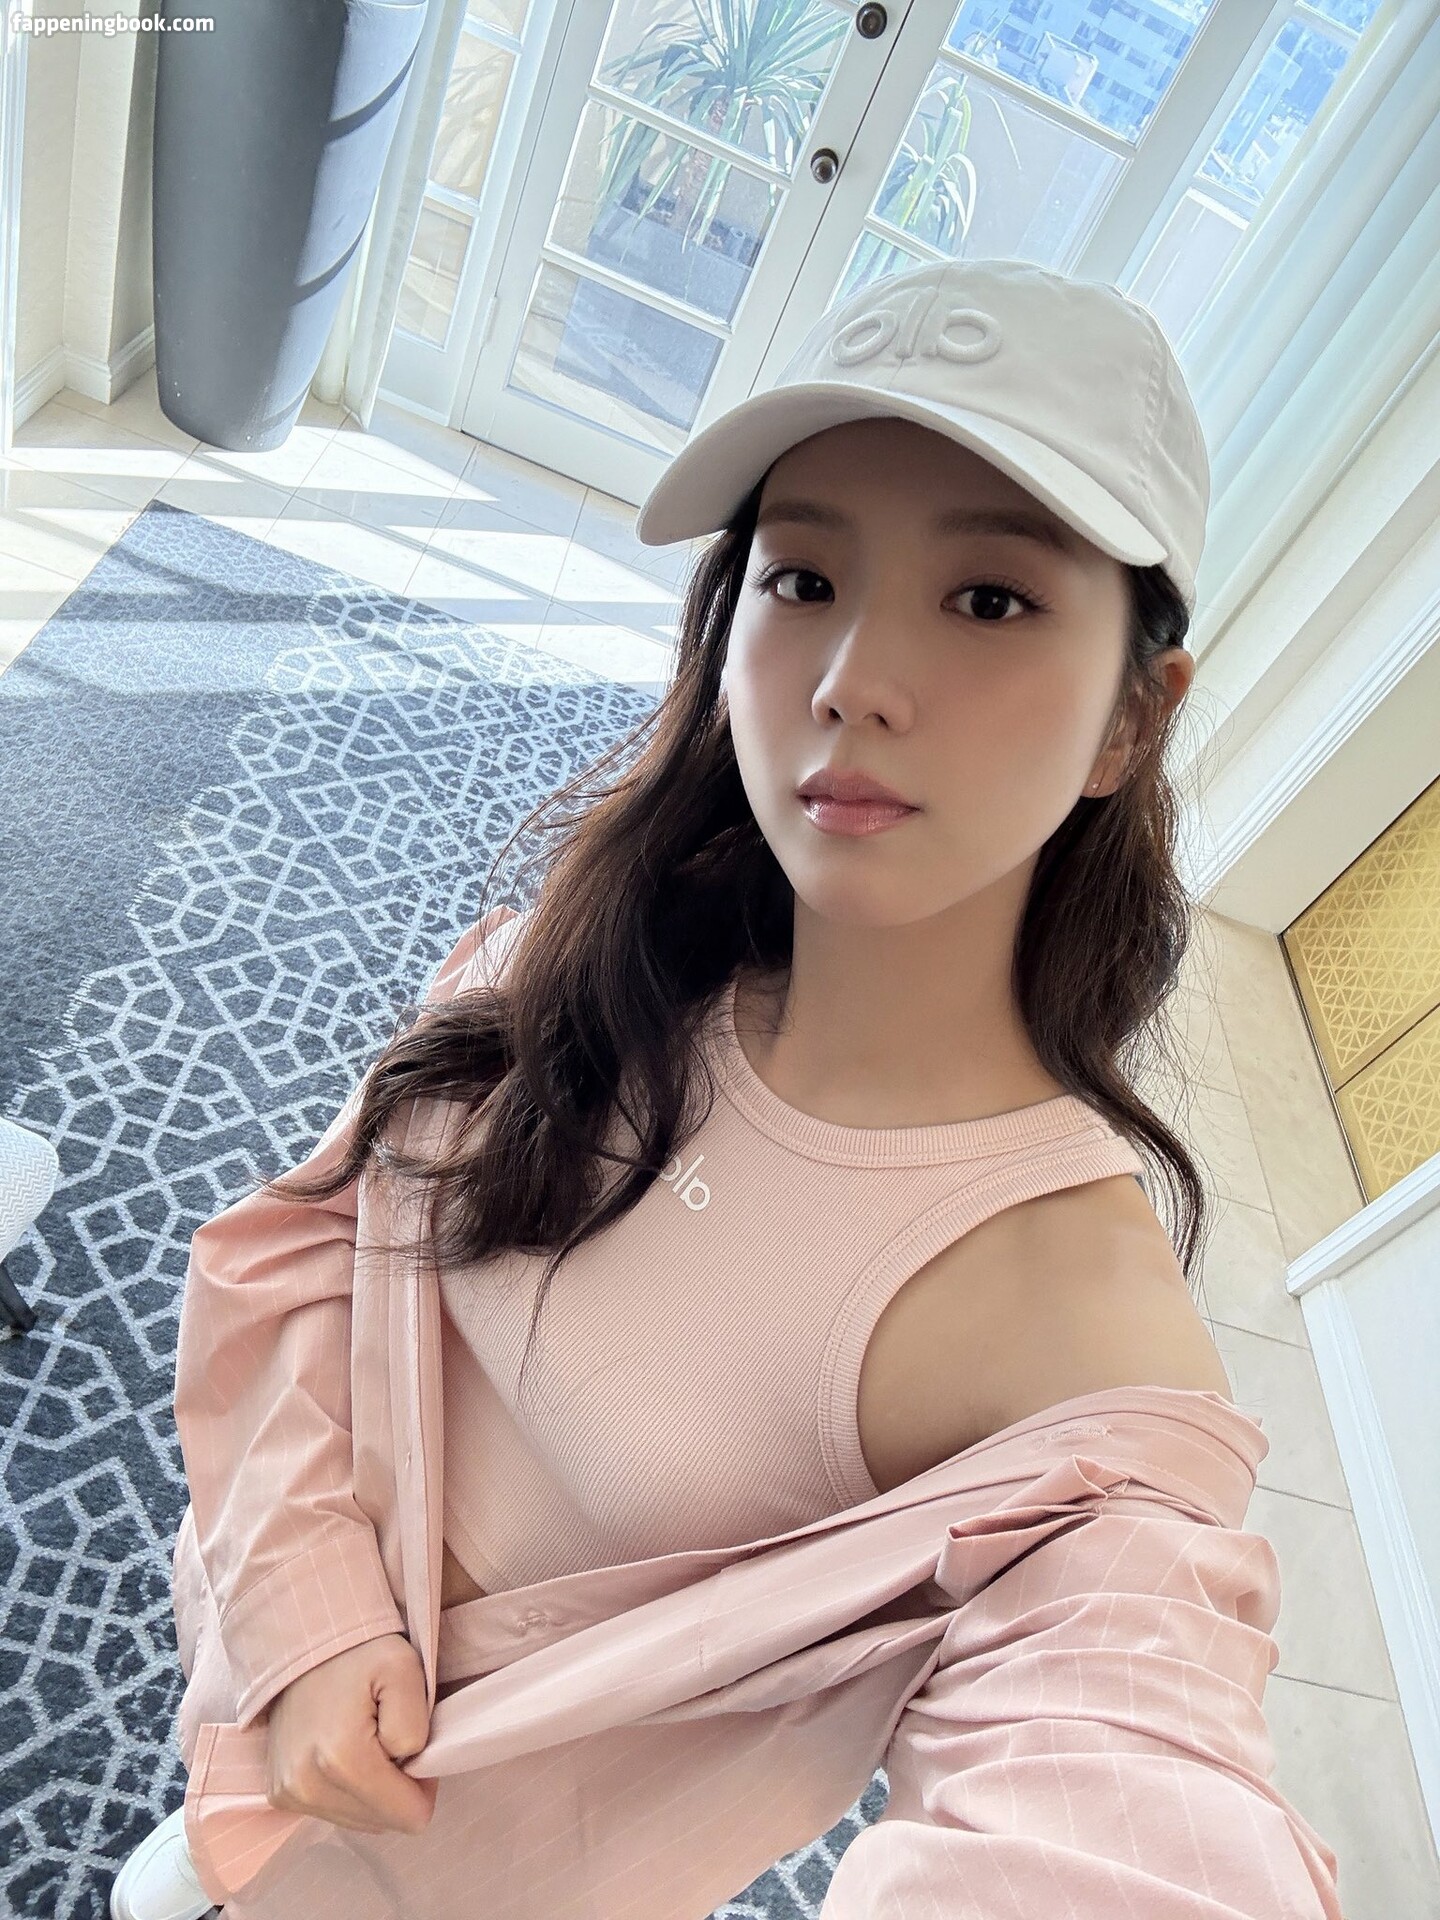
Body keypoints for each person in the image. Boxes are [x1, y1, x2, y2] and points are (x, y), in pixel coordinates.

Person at [114, 258, 1342, 1920]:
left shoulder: (1081, 1353)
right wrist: (305, 1615)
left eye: (990, 600)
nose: (853, 680)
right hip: (238, 1681)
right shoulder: (595, 945)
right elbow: (304, 1245)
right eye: (805, 576)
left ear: (1135, 717)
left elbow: (1118, 1776)